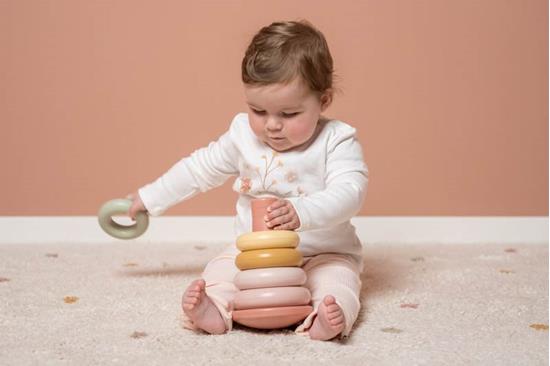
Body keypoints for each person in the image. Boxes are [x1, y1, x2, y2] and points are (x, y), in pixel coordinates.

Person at [128, 20, 368, 341]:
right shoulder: (243, 136)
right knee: (220, 271)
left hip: (322, 253)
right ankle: (213, 309)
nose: (272, 126)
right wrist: (149, 197)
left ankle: (324, 319)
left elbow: (350, 192)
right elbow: (199, 169)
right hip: (252, 256)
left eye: (289, 114)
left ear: (323, 101)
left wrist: (302, 212)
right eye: (258, 110)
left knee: (338, 284)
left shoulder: (336, 140)